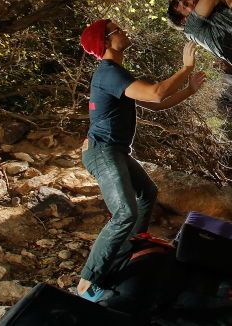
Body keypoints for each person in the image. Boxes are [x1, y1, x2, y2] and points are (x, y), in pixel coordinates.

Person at [76, 18, 206, 302]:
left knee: (147, 193)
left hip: (116, 151)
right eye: (117, 30)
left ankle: (128, 249)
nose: (124, 31)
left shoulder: (117, 73)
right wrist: (185, 68)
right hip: (102, 151)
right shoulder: (108, 72)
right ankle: (87, 282)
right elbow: (156, 91)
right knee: (124, 212)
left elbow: (157, 102)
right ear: (106, 42)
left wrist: (190, 89)